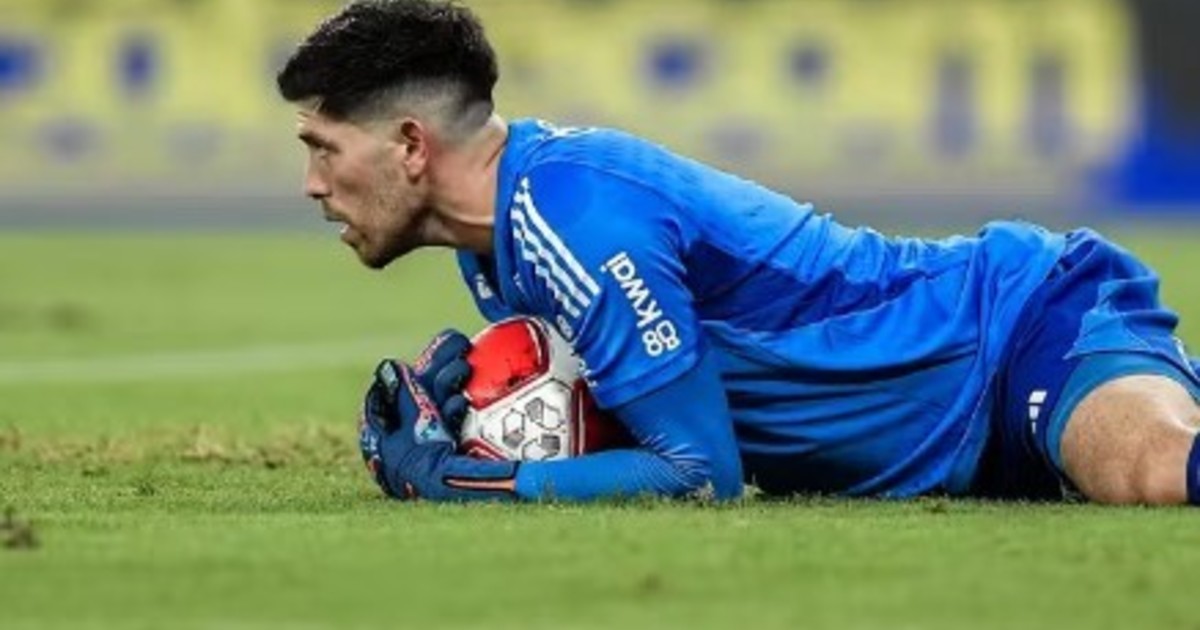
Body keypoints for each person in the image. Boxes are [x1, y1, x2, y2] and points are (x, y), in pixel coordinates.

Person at [276, 0, 1200, 505]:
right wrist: (495, 405)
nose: (314, 183)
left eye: (324, 149)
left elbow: (697, 474)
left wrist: (472, 480)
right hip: (962, 444)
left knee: (1155, 472)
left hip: (1015, 332)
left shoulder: (576, 221)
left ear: (410, 145)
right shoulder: (503, 240)